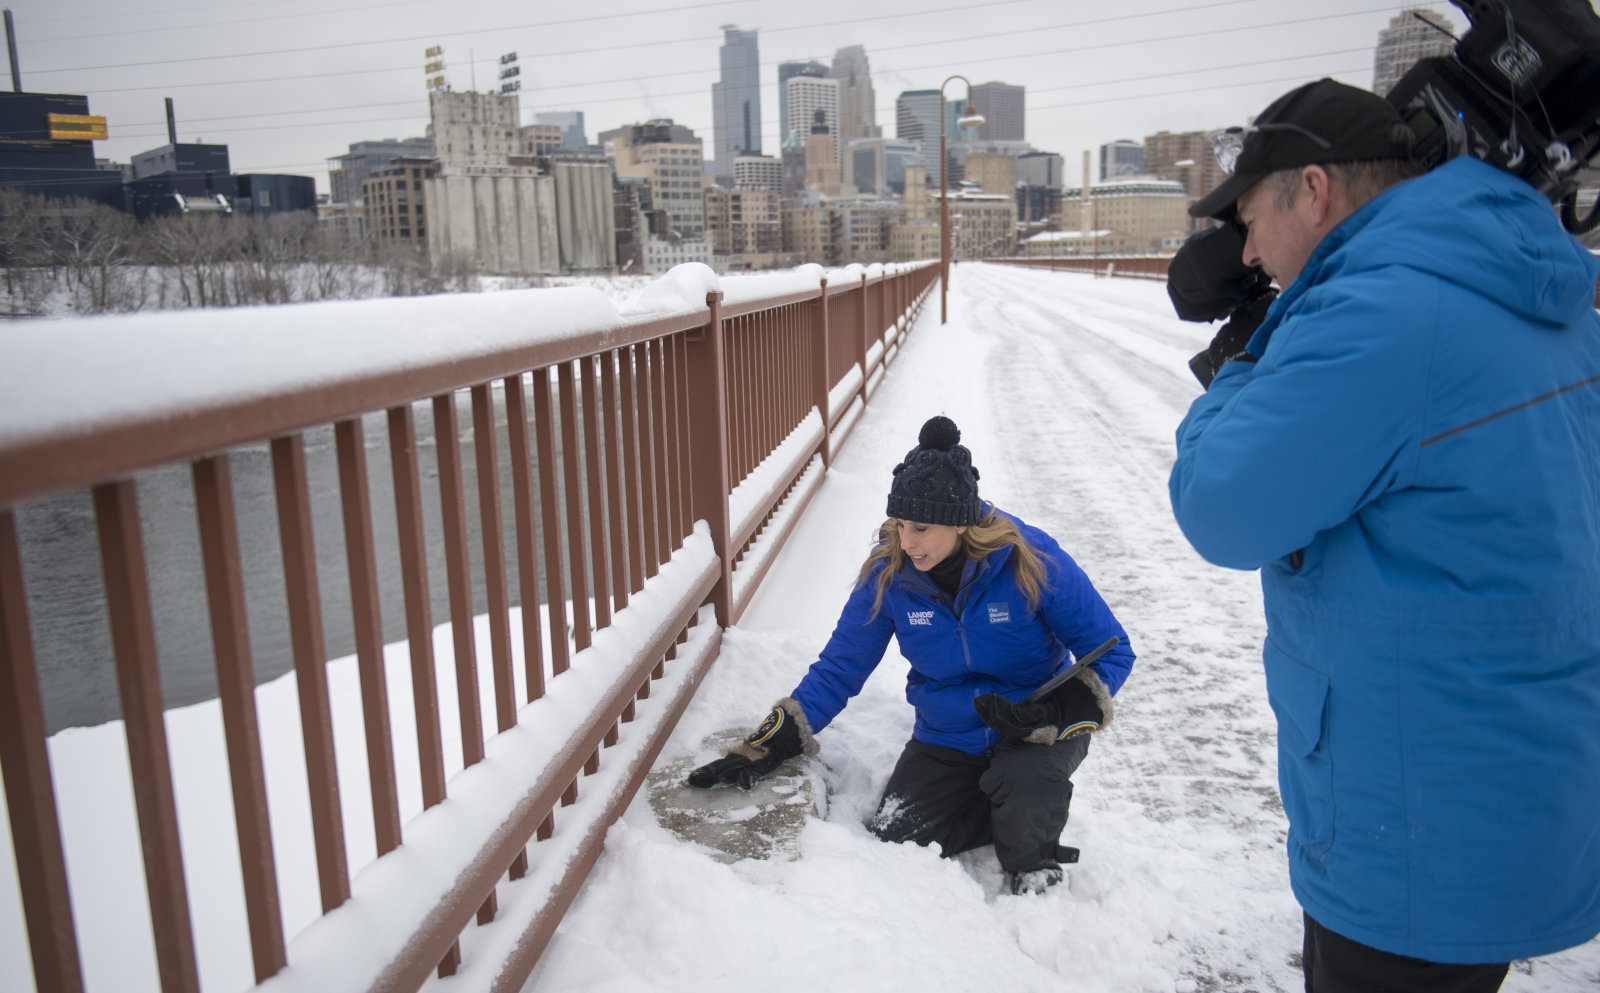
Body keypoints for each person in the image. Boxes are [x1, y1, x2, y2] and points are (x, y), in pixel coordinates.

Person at [1167, 78, 1600, 991]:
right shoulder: (1524, 284)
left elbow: (1220, 504)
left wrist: (1249, 358)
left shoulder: (1385, 315)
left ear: (1313, 189)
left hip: (1415, 825)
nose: (1246, 250)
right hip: (1508, 771)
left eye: (1250, 219)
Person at [689, 415, 1136, 894]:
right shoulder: (890, 575)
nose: (906, 541)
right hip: (949, 733)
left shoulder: (1031, 560)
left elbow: (1111, 652)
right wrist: (767, 745)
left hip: (1036, 728)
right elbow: (841, 667)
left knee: (1023, 795)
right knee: (898, 837)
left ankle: (1033, 850)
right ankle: (1004, 807)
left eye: (921, 527)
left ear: (961, 523)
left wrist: (1052, 714)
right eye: (900, 525)